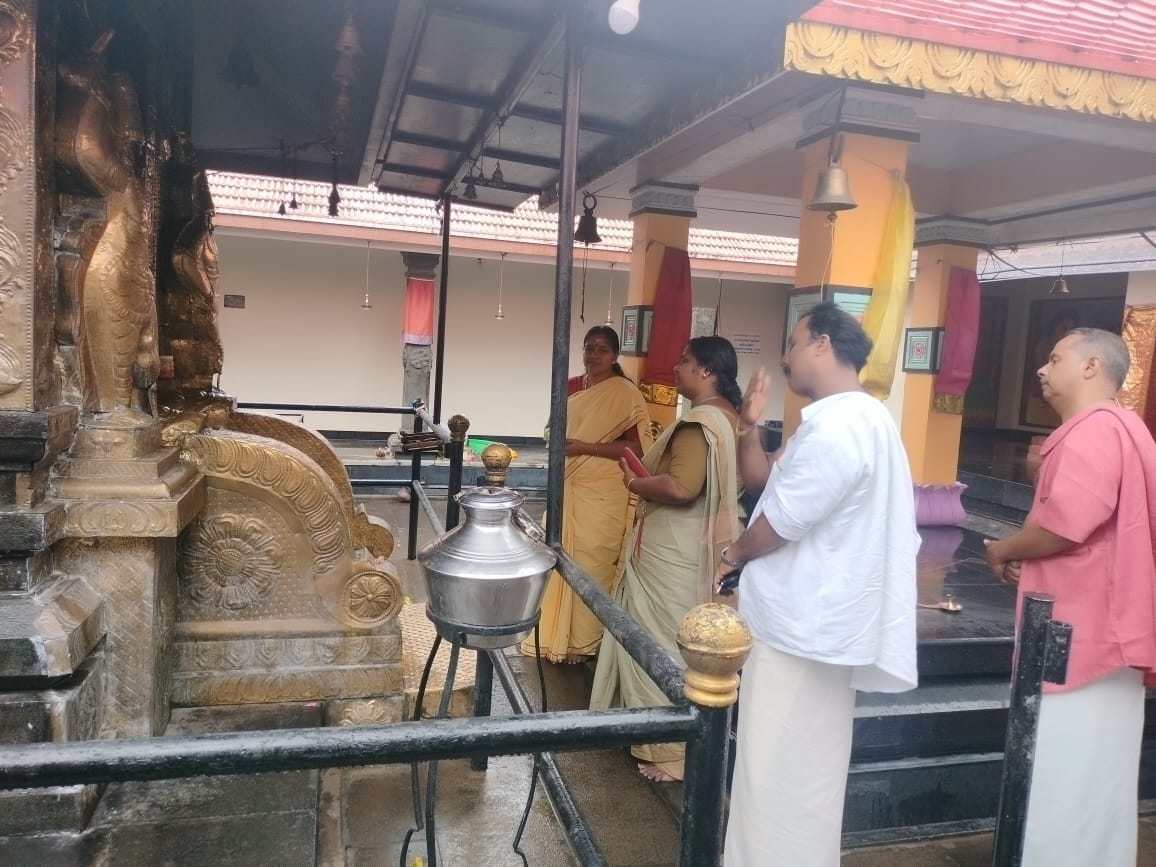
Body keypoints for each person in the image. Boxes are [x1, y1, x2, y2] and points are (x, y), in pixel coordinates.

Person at [717, 302, 918, 867]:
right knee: (791, 771)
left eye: (794, 343)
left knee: (782, 775)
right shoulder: (850, 419)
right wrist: (748, 427)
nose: (784, 358)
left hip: (803, 632)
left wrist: (731, 555)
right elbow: (764, 481)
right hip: (814, 628)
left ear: (823, 344)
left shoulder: (843, 425)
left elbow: (781, 523)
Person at [984, 327, 1156, 867]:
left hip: (1078, 642)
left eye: (1055, 358)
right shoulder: (1127, 429)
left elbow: (1068, 525)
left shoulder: (1095, 431)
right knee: (1097, 782)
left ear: (1091, 368)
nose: (1042, 368)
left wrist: (1004, 548)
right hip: (1110, 631)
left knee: (1064, 779)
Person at [590, 335, 743, 783]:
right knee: (677, 638)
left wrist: (635, 484)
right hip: (698, 541)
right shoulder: (731, 419)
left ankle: (672, 751)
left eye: (684, 360)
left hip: (672, 547)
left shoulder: (699, 422)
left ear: (707, 371)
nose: (675, 368)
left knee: (659, 639)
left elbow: (681, 487)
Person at [523, 325, 653, 664]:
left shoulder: (625, 393)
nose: (593, 355)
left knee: (593, 561)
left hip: (603, 487)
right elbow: (552, 428)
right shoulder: (570, 387)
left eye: (601, 349)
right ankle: (555, 638)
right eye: (588, 348)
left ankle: (585, 643)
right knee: (560, 555)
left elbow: (635, 446)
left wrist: (586, 447)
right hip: (568, 482)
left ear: (614, 356)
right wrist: (555, 437)